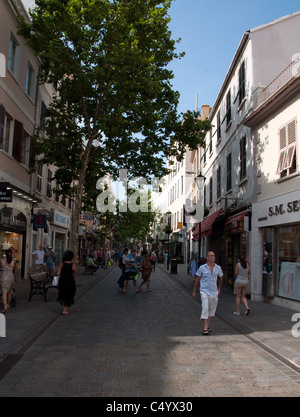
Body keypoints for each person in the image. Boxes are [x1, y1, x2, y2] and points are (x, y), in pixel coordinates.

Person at [192, 251, 223, 335]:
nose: (212, 257)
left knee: (212, 311)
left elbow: (221, 277)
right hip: (204, 291)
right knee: (205, 308)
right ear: (207, 257)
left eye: (214, 256)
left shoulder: (218, 268)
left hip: (214, 291)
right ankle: (205, 328)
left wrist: (219, 288)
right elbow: (197, 279)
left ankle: (207, 324)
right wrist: (194, 291)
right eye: (211, 256)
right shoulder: (202, 267)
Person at [56, 250, 77, 315]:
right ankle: (65, 310)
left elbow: (58, 273)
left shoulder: (62, 264)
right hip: (70, 281)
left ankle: (65, 308)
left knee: (63, 293)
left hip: (62, 281)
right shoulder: (73, 265)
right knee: (69, 294)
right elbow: (75, 272)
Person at [0, 248, 16, 314]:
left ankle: (5, 307)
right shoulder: (13, 261)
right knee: (9, 291)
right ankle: (8, 304)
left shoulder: (2, 260)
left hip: (3, 276)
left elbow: (0, 267)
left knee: (4, 292)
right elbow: (14, 268)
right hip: (11, 277)